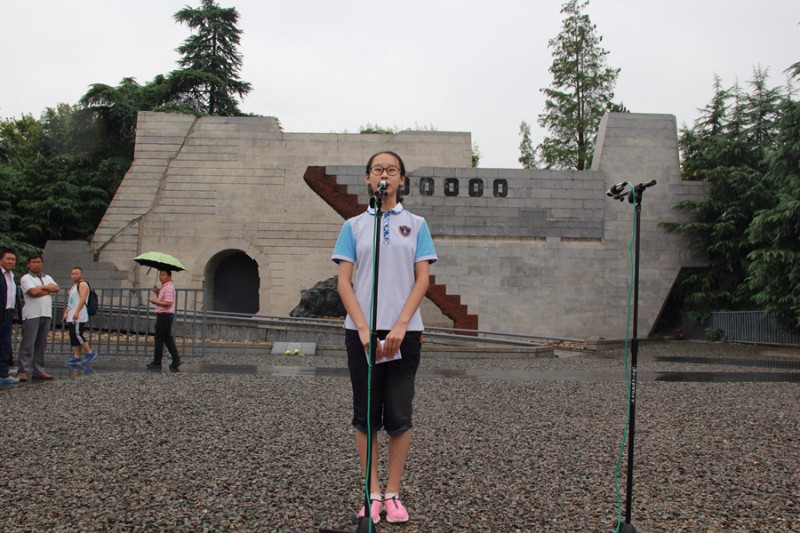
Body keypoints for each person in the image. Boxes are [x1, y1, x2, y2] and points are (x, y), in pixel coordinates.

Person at [332, 151, 437, 524]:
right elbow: (344, 281)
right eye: (378, 170)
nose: (385, 175)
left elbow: (422, 278)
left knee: (398, 413)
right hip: (360, 334)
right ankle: (371, 492)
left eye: (392, 170)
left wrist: (400, 324)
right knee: (364, 414)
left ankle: (393, 492)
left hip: (404, 334)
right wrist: (363, 326)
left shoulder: (416, 224)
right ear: (367, 178)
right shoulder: (354, 226)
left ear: (402, 180)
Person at [17, 254, 60, 380]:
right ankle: (22, 370)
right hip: (32, 314)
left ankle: (38, 369)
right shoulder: (26, 278)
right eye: (34, 262)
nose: (37, 264)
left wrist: (42, 288)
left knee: (41, 344)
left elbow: (56, 288)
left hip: (46, 313)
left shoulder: (47, 277)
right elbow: (33, 292)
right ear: (28, 264)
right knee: (28, 343)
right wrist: (48, 290)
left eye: (39, 262)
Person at [147, 270, 181, 370]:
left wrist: (155, 301)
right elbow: (164, 300)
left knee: (159, 338)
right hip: (165, 315)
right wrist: (157, 292)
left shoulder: (169, 288)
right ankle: (176, 359)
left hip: (164, 315)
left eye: (164, 275)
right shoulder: (165, 287)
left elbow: (168, 303)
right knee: (167, 338)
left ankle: (157, 361)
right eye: (160, 275)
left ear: (169, 276)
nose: (161, 277)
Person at [64, 267, 97, 365]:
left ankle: (89, 352)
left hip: (79, 314)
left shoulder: (82, 284)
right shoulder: (74, 286)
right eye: (72, 274)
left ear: (81, 275)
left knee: (77, 334)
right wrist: (66, 312)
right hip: (72, 313)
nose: (74, 275)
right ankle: (76, 356)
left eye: (76, 274)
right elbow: (71, 301)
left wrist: (77, 311)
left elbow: (83, 299)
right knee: (74, 334)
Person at [0, 248, 21, 384]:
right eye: (8, 259)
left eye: (13, 259)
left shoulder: (11, 276)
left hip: (7, 314)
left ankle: (3, 373)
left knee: (5, 344)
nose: (11, 262)